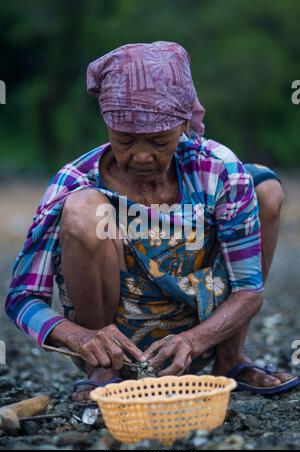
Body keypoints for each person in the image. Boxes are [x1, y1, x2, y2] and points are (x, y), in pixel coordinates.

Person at [5, 41, 299, 403]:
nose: (142, 156)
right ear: (108, 126)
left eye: (160, 141)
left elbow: (248, 291)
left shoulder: (217, 169)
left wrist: (194, 340)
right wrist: (82, 339)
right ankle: (104, 372)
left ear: (183, 124)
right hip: (114, 342)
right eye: (124, 141)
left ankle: (231, 359)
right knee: (84, 210)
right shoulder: (76, 181)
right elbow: (22, 299)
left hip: (202, 333)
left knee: (265, 188)